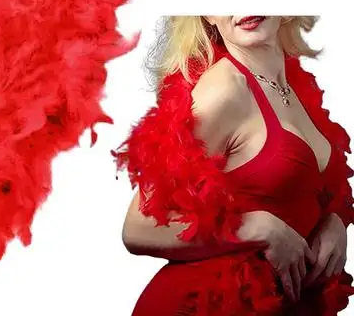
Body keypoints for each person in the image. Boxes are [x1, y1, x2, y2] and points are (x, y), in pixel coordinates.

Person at [116, 16, 353, 315]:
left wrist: (334, 220)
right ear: (208, 16)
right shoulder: (224, 90)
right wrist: (255, 227)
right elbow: (137, 228)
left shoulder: (293, 86)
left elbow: (312, 185)